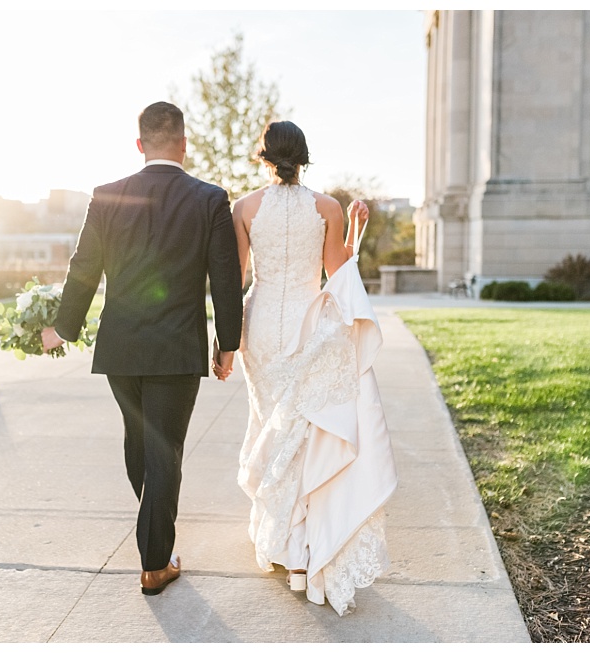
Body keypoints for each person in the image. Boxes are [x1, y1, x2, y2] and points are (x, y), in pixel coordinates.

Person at [42, 101, 243, 596]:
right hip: (176, 350)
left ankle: (158, 540)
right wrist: (228, 345)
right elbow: (225, 279)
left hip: (121, 349)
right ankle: (156, 563)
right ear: (184, 142)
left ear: (139, 146)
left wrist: (61, 329)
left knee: (142, 444)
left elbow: (82, 267)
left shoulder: (107, 196)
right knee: (162, 453)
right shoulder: (210, 199)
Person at [227, 120, 396, 615]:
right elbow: (338, 272)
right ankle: (301, 550)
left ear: (264, 156)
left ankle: (281, 541)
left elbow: (235, 280)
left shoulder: (243, 208)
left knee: (270, 425)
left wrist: (225, 344)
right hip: (307, 324)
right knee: (301, 432)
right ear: (303, 157)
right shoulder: (326, 208)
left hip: (259, 329)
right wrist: (353, 228)